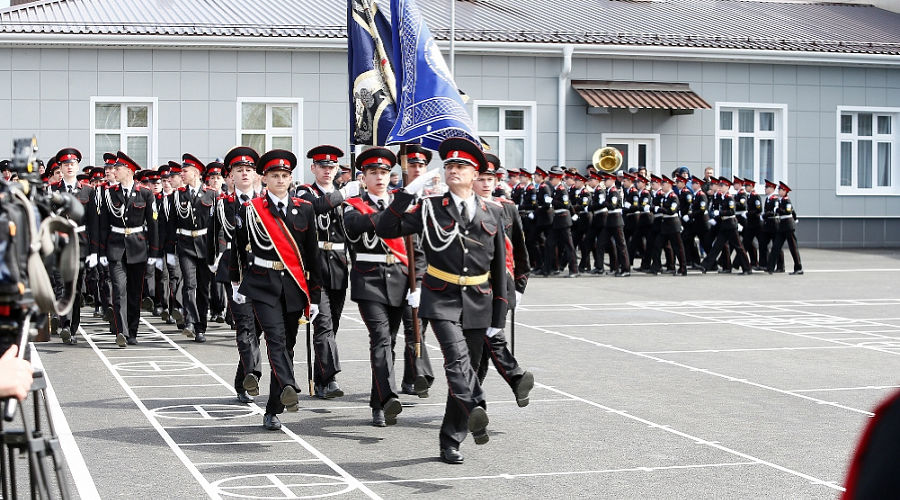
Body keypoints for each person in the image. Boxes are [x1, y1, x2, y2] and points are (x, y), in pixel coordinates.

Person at [376, 137, 507, 465]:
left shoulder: (493, 211)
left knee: (470, 367)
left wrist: (498, 319)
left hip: (479, 299)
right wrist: (409, 191)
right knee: (455, 359)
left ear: (475, 173)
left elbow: (499, 266)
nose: (453, 170)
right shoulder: (432, 207)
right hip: (442, 296)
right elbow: (386, 227)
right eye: (449, 165)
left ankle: (452, 438)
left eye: (460, 166)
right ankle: (474, 404)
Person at [230, 149, 322, 431]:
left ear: (291, 179)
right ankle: (290, 385)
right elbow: (238, 248)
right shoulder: (252, 210)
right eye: (274, 176)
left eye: (284, 175)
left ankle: (273, 408)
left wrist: (314, 297)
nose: (280, 180)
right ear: (265, 179)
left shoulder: (304, 208)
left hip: (293, 286)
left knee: (289, 345)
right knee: (275, 338)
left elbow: (312, 255)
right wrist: (237, 283)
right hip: (262, 283)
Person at [343, 147, 409, 427]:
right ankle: (389, 397)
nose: (380, 178)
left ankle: (377, 402)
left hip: (400, 277)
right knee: (380, 338)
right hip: (368, 279)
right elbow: (357, 226)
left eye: (384, 172)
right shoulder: (352, 206)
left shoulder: (403, 202)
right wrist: (400, 205)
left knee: (390, 342)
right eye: (374, 173)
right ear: (363, 177)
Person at [295, 145, 359, 399]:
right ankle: (330, 378)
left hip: (339, 266)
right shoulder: (305, 192)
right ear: (313, 168)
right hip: (316, 266)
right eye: (322, 166)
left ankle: (321, 378)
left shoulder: (345, 195)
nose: (327, 170)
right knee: (322, 325)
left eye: (331, 167)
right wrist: (344, 194)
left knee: (333, 324)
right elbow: (314, 209)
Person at [217, 147, 264, 404]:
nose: (244, 173)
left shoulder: (267, 201)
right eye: (239, 170)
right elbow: (224, 235)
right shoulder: (224, 204)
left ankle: (241, 380)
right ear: (231, 176)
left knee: (257, 331)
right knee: (245, 327)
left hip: (264, 274)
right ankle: (251, 376)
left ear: (256, 174)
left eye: (249, 170)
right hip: (237, 273)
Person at [98, 151, 160, 347]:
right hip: (116, 247)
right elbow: (102, 225)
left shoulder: (145, 193)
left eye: (118, 168)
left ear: (129, 170)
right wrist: (100, 252)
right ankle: (121, 331)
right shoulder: (109, 193)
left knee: (134, 293)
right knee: (119, 290)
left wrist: (154, 252)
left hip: (138, 248)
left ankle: (132, 331)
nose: (114, 171)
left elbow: (153, 224)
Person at [164, 154, 218, 343]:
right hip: (185, 245)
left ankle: (201, 326)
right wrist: (170, 250)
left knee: (203, 288)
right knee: (189, 285)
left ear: (196, 173)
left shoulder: (212, 194)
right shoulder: (177, 195)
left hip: (205, 246)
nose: (182, 174)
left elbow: (217, 225)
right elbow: (170, 225)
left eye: (185, 171)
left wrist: (218, 251)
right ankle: (190, 321)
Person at [50, 147, 99, 345]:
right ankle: (64, 325)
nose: (69, 167)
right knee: (62, 286)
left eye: (72, 164)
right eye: (65, 164)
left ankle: (72, 327)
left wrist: (94, 251)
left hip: (80, 244)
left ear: (77, 166)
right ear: (60, 168)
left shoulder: (88, 191)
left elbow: (94, 223)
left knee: (76, 288)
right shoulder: (53, 190)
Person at [768, 181, 803, 275]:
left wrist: (777, 210)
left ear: (784, 191)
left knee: (793, 247)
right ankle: (770, 267)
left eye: (780, 190)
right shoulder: (780, 200)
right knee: (776, 246)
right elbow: (793, 211)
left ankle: (798, 268)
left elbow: (787, 211)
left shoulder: (787, 200)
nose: (778, 191)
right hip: (782, 226)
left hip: (788, 225)